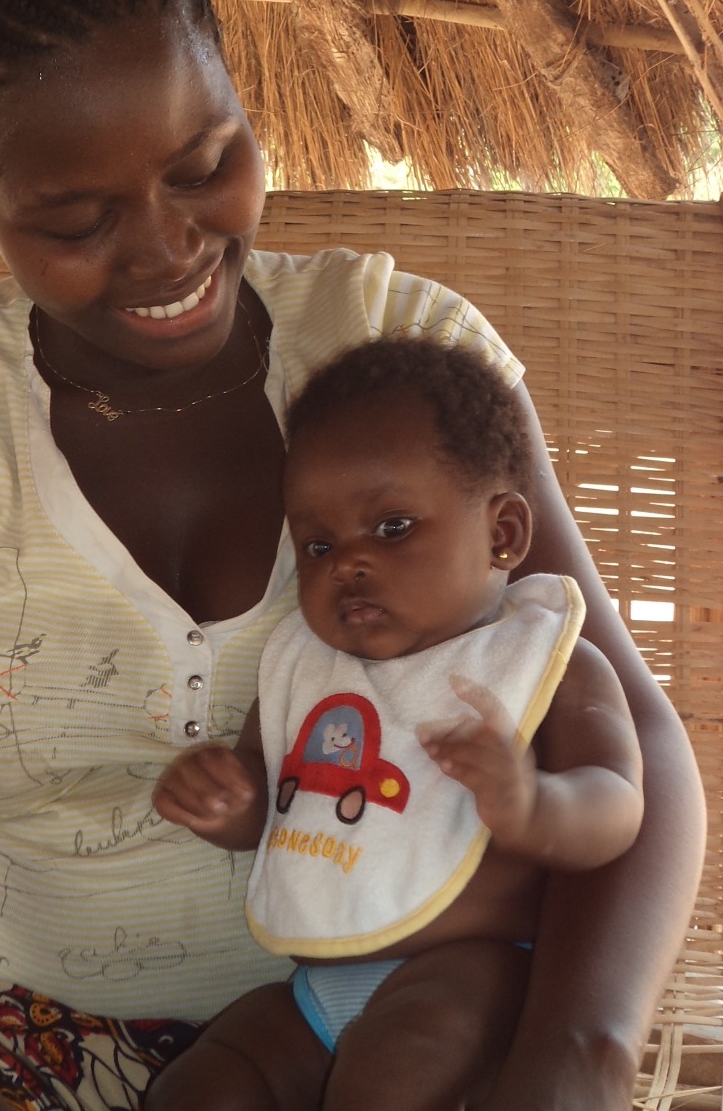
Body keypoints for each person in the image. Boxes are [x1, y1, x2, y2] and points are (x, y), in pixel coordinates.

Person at [0, 0, 703, 1111]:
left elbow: (628, 735)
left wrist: (573, 1057)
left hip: (413, 1017)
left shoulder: (400, 353)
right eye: (77, 218)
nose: (167, 249)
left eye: (206, 166)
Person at [148, 338, 645, 1109]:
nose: (347, 562)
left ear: (503, 533)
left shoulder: (550, 663)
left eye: (393, 527)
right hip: (317, 992)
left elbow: (619, 803)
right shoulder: (309, 667)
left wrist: (533, 803)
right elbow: (272, 799)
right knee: (205, 1082)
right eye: (318, 543)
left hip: (474, 977)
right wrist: (227, 798)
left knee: (394, 1073)